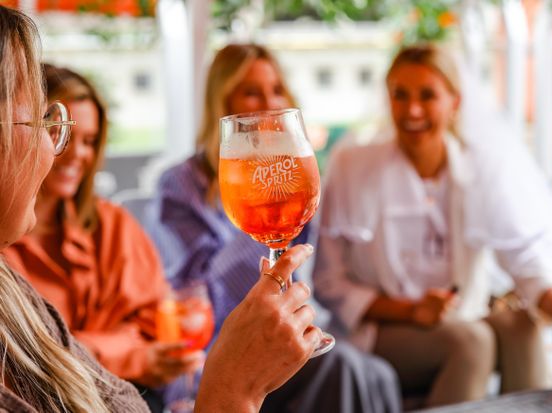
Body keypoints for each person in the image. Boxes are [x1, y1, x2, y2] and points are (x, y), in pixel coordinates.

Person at [0, 6, 320, 412]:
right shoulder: (183, 184)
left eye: (85, 139)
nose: (59, 149)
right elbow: (184, 306)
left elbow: (161, 320)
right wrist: (231, 391)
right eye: (41, 122)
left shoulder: (27, 281)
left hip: (201, 363)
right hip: (195, 372)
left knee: (350, 370)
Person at [313, 45, 552, 407]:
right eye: (400, 95)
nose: (413, 110)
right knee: (471, 341)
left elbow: (523, 256)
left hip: (463, 317)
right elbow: (329, 284)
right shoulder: (352, 167)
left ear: (454, 101)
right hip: (378, 330)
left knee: (523, 328)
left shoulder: (479, 170)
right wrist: (411, 310)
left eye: (427, 95)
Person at [144, 43, 402, 413]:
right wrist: (268, 218)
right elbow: (196, 290)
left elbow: (319, 267)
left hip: (286, 330)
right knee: (341, 366)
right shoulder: (180, 184)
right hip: (221, 351)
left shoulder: (289, 168)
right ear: (223, 100)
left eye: (276, 90)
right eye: (252, 91)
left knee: (375, 373)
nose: (268, 102)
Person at [3, 64, 203, 411]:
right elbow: (28, 358)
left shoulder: (114, 226)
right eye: (58, 131)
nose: (78, 154)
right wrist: (126, 353)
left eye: (91, 141)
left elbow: (159, 326)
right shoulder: (7, 241)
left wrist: (88, 349)